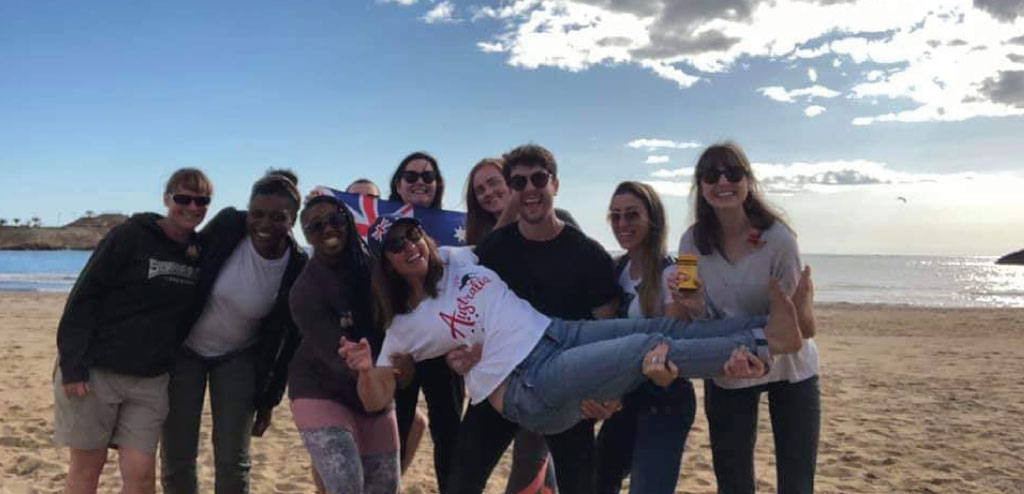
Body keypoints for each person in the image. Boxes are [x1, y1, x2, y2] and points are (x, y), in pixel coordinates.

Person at [340, 214, 811, 442]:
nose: (407, 248)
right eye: (394, 248)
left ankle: (778, 324)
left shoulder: (458, 257)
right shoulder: (403, 326)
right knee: (645, 346)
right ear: (386, 264)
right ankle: (767, 341)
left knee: (661, 323)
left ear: (423, 236)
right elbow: (378, 396)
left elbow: (509, 226)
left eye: (410, 236)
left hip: (555, 333)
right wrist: (365, 369)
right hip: (527, 385)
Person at [450, 145, 622, 494]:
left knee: (580, 486)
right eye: (519, 182)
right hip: (502, 379)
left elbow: (608, 331)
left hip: (566, 386)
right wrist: (465, 350)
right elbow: (468, 310)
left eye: (538, 179)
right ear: (512, 191)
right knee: (461, 481)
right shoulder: (495, 249)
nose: (529, 189)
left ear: (554, 185)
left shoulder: (589, 255)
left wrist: (607, 391)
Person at [54, 168, 212, 494]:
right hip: (95, 372)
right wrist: (73, 365)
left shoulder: (199, 252)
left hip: (150, 380)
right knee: (86, 471)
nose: (192, 207)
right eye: (183, 198)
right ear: (168, 199)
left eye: (202, 200)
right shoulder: (130, 235)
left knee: (141, 477)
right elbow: (84, 297)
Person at [677, 142, 819, 494]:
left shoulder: (777, 238)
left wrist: (761, 354)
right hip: (730, 363)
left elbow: (789, 323)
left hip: (790, 364)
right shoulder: (690, 242)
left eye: (733, 173)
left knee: (797, 482)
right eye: (711, 175)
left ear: (748, 181)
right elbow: (698, 317)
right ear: (701, 186)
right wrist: (692, 303)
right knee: (733, 480)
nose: (723, 181)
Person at [160, 170, 308, 494]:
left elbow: (288, 341)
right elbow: (185, 253)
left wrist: (269, 399)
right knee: (177, 454)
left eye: (277, 217)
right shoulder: (228, 226)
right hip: (186, 351)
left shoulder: (297, 266)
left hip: (238, 357)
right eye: (257, 214)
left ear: (293, 220)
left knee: (233, 459)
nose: (264, 224)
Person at [463, 157, 571, 494]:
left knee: (530, 464)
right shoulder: (480, 241)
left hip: (544, 365)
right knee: (466, 471)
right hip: (495, 371)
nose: (488, 193)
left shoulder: (558, 224)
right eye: (479, 189)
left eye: (495, 182)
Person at [287, 195, 400, 494]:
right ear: (306, 235)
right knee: (346, 484)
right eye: (315, 226)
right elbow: (338, 357)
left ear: (347, 220)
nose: (327, 229)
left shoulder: (376, 267)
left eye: (335, 220)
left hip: (374, 388)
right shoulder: (304, 291)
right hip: (320, 388)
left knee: (385, 487)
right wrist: (367, 365)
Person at [595, 181, 698, 494]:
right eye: (615, 216)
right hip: (626, 395)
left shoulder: (681, 269)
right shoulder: (614, 268)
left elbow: (681, 337)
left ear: (652, 218)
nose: (622, 224)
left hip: (666, 396)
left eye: (632, 215)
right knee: (596, 479)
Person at [385, 151, 463, 493]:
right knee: (394, 430)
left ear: (438, 184)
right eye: (412, 176)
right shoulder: (382, 224)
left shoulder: (455, 227)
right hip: (400, 343)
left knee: (448, 433)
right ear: (398, 184)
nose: (420, 182)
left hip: (444, 346)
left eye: (428, 176)